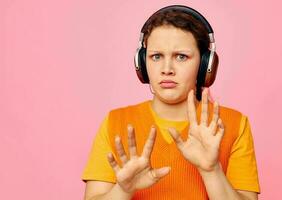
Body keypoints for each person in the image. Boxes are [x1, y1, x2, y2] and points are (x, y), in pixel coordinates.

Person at [81, 5, 260, 200]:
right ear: (142, 63)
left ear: (204, 65)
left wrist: (211, 170)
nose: (167, 69)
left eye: (181, 57)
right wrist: (123, 190)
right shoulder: (115, 122)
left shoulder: (235, 124)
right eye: (156, 56)